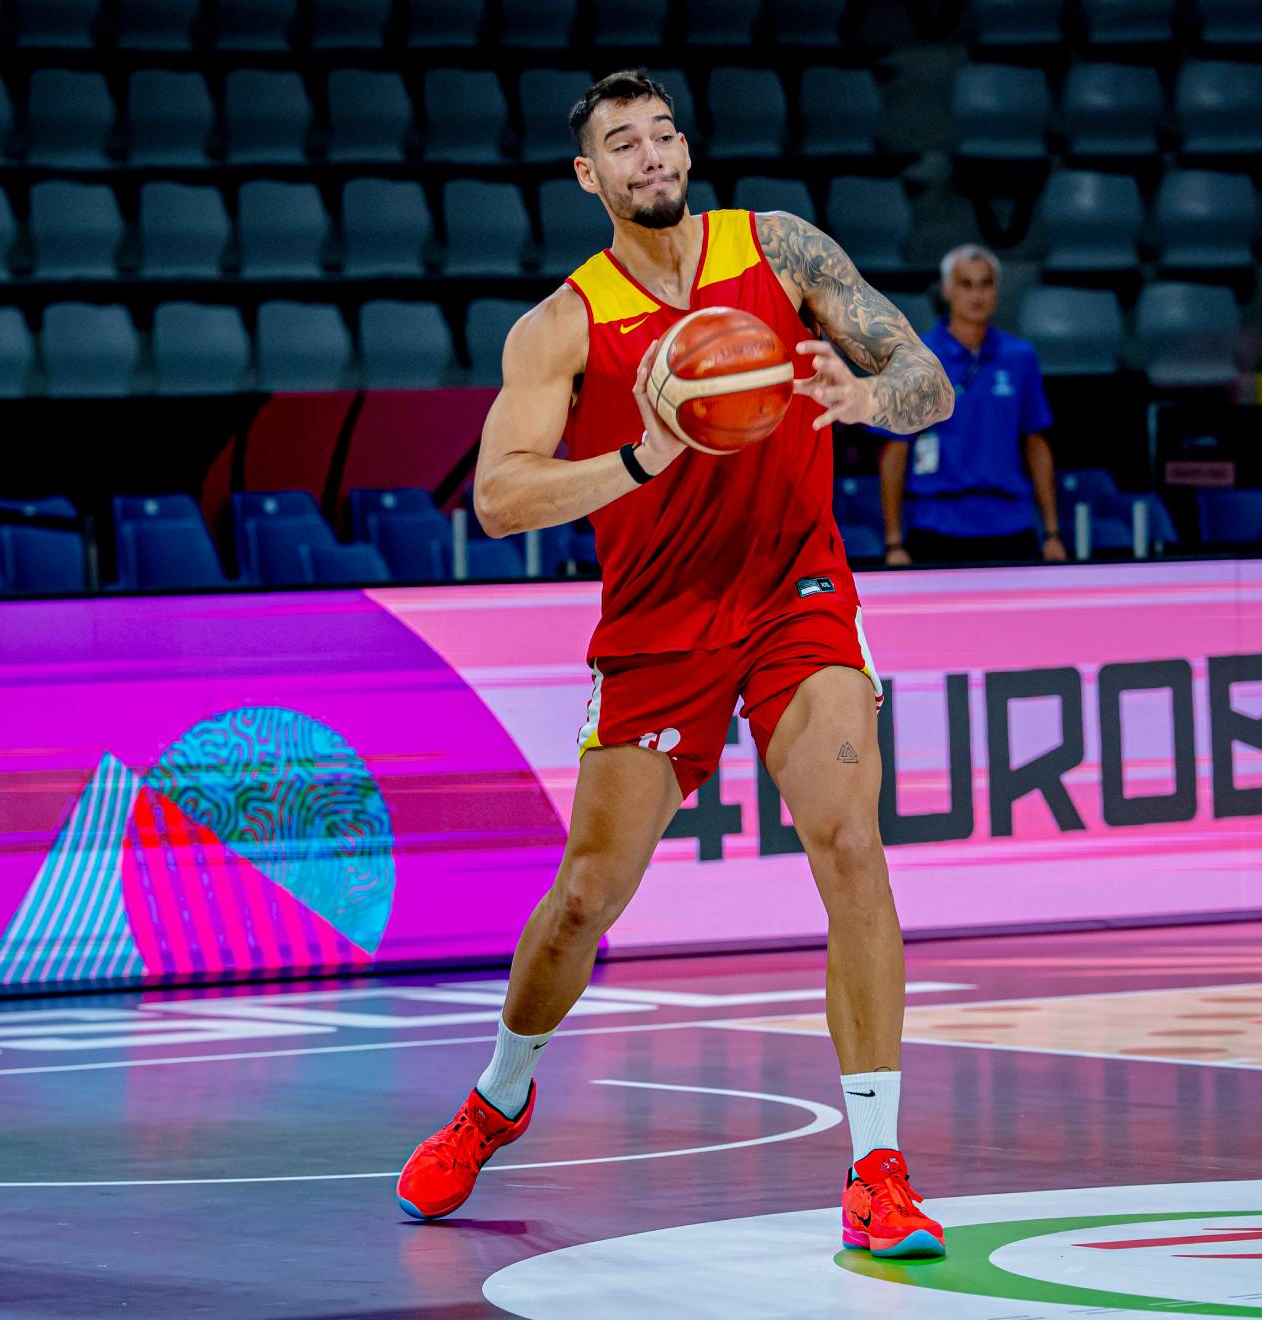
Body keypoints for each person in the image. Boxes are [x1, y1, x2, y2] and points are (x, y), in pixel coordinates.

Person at [393, 70, 956, 1262]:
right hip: (659, 623)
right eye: (622, 143)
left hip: (797, 592)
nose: (649, 155)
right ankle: (499, 1095)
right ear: (588, 176)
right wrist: (643, 459)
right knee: (585, 899)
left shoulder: (781, 249)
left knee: (849, 841)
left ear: (686, 152)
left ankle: (878, 1168)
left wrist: (865, 395)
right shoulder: (561, 324)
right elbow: (498, 498)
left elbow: (929, 383)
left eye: (662, 135)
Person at [878, 245, 1066, 567]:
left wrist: (1052, 533)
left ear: (997, 289)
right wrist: (893, 542)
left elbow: (1035, 442)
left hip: (1010, 524)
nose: (977, 295)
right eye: (966, 284)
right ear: (947, 290)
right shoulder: (916, 358)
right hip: (936, 523)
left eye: (985, 284)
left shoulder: (1020, 357)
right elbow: (896, 448)